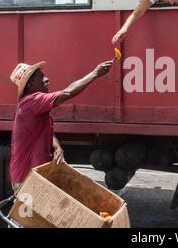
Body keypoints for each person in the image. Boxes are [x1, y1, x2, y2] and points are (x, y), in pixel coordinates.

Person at [9, 60, 113, 192]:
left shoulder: (32, 104)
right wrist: (95, 73)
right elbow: (68, 93)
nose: (47, 79)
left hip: (35, 176)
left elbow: (45, 132)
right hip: (27, 179)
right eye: (41, 77)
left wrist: (57, 147)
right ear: (30, 85)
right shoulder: (33, 101)